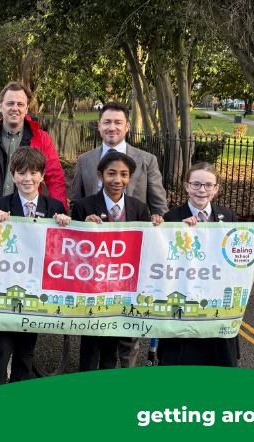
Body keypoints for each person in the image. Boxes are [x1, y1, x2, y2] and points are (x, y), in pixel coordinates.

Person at [71, 101, 168, 368]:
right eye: (107, 122)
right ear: (99, 126)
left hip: (130, 263)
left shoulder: (147, 160)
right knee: (93, 330)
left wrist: (162, 228)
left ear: (127, 126)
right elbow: (76, 204)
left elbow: (159, 207)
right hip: (95, 265)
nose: (112, 127)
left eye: (118, 122)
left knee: (128, 332)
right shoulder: (86, 160)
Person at [158, 162, 254, 367]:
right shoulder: (172, 217)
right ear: (186, 186)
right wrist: (179, 234)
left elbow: (237, 254)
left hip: (217, 301)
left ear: (216, 188)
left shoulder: (227, 216)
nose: (202, 190)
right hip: (185, 299)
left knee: (219, 361)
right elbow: (163, 259)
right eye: (196, 184)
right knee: (182, 361)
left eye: (209, 185)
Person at [0, 146, 71, 387]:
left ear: (42, 176)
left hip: (35, 294)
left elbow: (63, 248)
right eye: (21, 173)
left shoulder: (55, 208)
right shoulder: (0, 203)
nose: (28, 179)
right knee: (0, 351)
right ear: (13, 176)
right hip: (6, 289)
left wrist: (65, 223)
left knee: (26, 352)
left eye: (34, 173)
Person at [0, 81, 67, 214]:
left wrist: (58, 215)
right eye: (10, 103)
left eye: (20, 104)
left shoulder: (43, 140)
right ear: (1, 106)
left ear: (27, 108)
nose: (15, 108)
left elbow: (55, 179)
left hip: (28, 219)